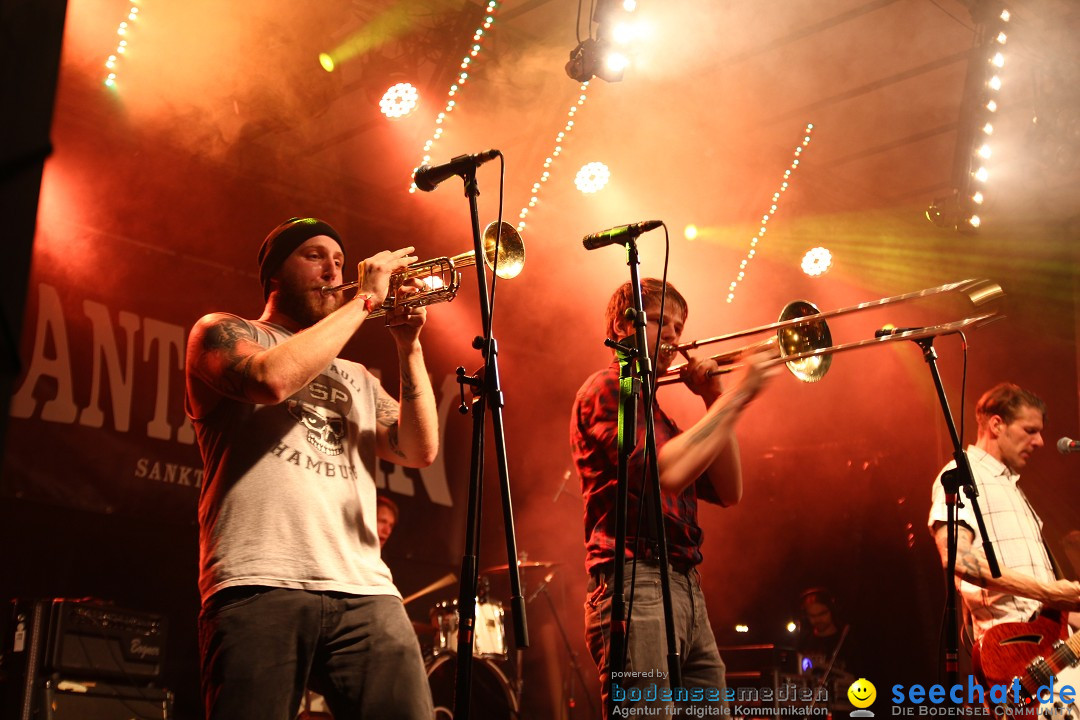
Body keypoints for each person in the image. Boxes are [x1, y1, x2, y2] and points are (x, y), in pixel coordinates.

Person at [185, 217, 439, 720]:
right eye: (315, 256)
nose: (333, 270)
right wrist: (365, 301)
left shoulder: (357, 376)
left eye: (340, 261)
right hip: (258, 580)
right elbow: (270, 380)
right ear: (274, 274)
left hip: (365, 588)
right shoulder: (222, 332)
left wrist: (408, 345)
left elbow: (418, 450)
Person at [569, 278, 773, 714]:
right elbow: (670, 471)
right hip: (634, 582)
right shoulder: (611, 388)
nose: (675, 337)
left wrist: (716, 396)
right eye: (662, 321)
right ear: (624, 326)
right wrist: (738, 396)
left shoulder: (660, 417)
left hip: (685, 588)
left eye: (680, 328)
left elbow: (729, 489)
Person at [927, 383, 1080, 655]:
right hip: (1011, 653)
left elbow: (1036, 606)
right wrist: (1049, 592)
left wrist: (1062, 602)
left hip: (1046, 649)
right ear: (997, 425)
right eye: (1030, 430)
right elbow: (958, 559)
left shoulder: (1011, 487)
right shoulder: (962, 476)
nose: (1040, 441)